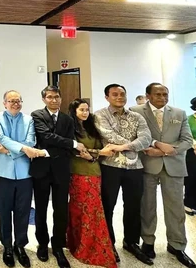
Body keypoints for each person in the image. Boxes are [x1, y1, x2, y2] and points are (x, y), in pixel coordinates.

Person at [131, 83, 195, 268]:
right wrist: (155, 147)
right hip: (147, 165)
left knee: (175, 209)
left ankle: (177, 246)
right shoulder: (136, 111)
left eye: (165, 94)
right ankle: (148, 242)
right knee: (147, 206)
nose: (162, 97)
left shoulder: (179, 113)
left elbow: (187, 140)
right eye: (158, 94)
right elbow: (133, 136)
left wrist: (165, 151)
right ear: (148, 96)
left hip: (173, 166)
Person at [94, 84, 153, 266]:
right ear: (106, 97)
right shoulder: (100, 115)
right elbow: (108, 134)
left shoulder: (137, 116)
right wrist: (134, 145)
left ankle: (131, 242)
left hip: (135, 167)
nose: (119, 97)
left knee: (133, 206)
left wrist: (123, 147)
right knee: (108, 205)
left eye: (122, 94)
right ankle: (108, 243)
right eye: (115, 94)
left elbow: (146, 138)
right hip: (110, 166)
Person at [30, 85, 85, 268]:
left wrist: (68, 145)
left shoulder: (68, 119)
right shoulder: (37, 115)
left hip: (61, 170)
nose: (54, 100)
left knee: (61, 209)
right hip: (42, 170)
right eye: (50, 97)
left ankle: (58, 245)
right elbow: (45, 137)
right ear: (44, 99)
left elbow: (65, 146)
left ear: (61, 99)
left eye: (57, 97)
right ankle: (43, 244)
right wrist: (71, 143)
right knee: (41, 209)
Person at [0, 90, 45, 268]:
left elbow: (30, 141)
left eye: (18, 101)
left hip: (25, 174)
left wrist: (9, 150)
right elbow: (0, 138)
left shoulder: (28, 119)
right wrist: (22, 150)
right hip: (3, 173)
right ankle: (7, 246)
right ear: (4, 103)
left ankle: (20, 246)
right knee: (5, 211)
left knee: (23, 211)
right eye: (11, 101)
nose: (15, 104)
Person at [66, 99, 117, 268]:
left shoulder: (91, 127)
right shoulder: (70, 128)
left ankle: (93, 246)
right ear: (74, 111)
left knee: (94, 211)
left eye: (87, 109)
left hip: (95, 173)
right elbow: (76, 151)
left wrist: (94, 154)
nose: (85, 113)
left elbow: (101, 149)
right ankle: (78, 244)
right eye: (82, 110)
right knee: (80, 210)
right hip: (78, 174)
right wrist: (98, 152)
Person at [185, 97, 196, 216]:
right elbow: (186, 135)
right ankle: (189, 203)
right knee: (192, 178)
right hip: (192, 152)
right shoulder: (188, 119)